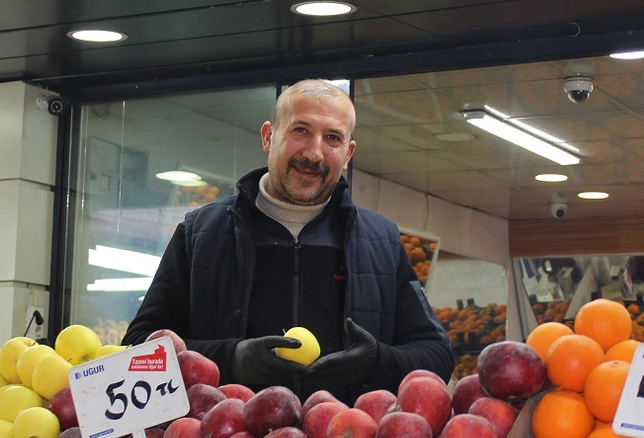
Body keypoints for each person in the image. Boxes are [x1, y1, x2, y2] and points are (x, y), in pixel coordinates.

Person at [122, 79, 455, 401]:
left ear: (348, 154)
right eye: (301, 130)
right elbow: (138, 350)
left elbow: (437, 356)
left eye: (332, 138)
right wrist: (231, 358)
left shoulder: (381, 241)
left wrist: (376, 363)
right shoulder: (200, 233)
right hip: (226, 436)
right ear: (268, 136)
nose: (314, 153)